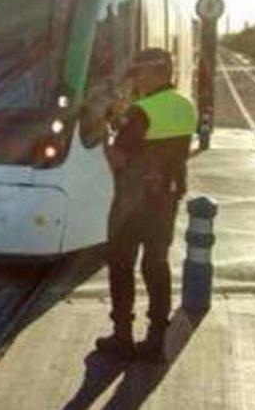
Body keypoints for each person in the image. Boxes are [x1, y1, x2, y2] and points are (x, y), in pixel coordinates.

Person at [96, 48, 198, 363]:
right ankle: (156, 338)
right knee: (156, 264)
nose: (135, 79)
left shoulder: (141, 111)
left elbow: (118, 158)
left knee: (122, 264)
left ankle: (123, 337)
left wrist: (105, 134)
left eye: (139, 72)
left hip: (132, 202)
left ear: (157, 72)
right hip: (167, 197)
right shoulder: (185, 105)